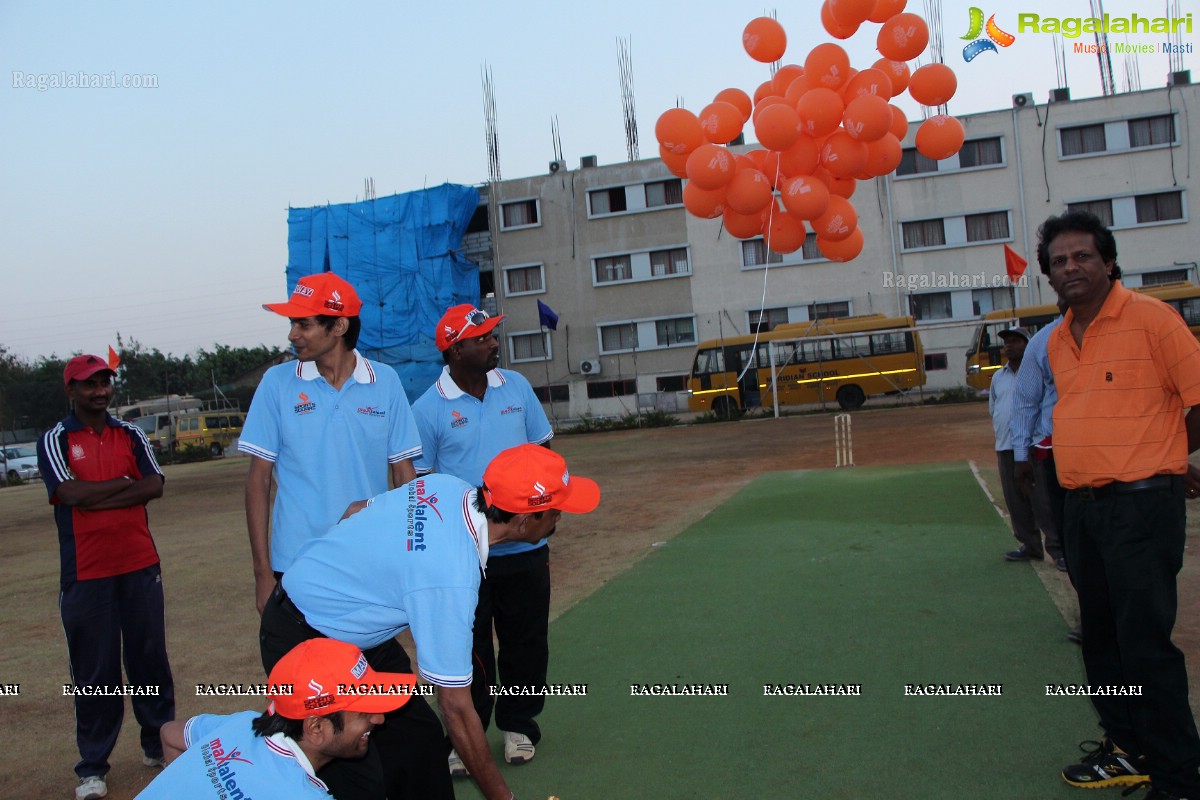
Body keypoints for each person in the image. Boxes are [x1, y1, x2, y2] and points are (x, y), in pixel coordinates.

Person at [258, 444, 600, 800]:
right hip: (302, 638)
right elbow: (455, 706)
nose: (560, 516)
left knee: (419, 742)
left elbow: (354, 511)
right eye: (555, 510)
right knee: (358, 775)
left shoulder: (447, 487)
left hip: (350, 635)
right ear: (525, 520)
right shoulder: (450, 578)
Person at [1040, 210, 1200, 799]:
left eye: (1082, 256)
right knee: (1101, 643)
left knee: (1143, 646)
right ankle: (1127, 748)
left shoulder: (1153, 320)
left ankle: (1180, 777)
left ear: (1108, 262)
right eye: (1059, 261)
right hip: (1082, 509)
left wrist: (1171, 452)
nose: (1070, 267)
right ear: (1049, 277)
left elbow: (1197, 396)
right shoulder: (1057, 338)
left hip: (1139, 508)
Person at [412, 304, 556, 774]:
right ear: (455, 350)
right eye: (483, 338)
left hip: (525, 550)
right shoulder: (428, 409)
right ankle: (463, 735)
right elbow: (423, 487)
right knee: (466, 650)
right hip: (464, 557)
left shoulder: (515, 387)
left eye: (494, 335)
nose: (494, 343)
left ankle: (519, 725)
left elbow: (544, 454)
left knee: (525, 642)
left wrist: (548, 508)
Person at [239, 272, 422, 613]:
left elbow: (404, 476)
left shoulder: (386, 382)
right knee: (304, 665)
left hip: (368, 557)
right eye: (293, 323)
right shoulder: (276, 384)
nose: (293, 334)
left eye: (303, 324)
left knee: (366, 663)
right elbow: (258, 480)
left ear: (338, 327)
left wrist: (411, 553)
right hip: (295, 563)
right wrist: (262, 573)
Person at [38, 354, 176, 800]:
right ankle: (92, 766)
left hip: (139, 565)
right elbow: (68, 492)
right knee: (95, 670)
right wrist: (123, 482)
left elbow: (154, 485)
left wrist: (101, 492)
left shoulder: (129, 433)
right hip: (87, 570)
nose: (99, 391)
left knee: (149, 659)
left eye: (105, 383)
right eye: (89, 384)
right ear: (71, 391)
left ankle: (159, 745)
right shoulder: (56, 439)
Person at [135, 638, 417, 799]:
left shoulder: (240, 725)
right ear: (316, 728)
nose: (379, 719)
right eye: (365, 712)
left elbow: (170, 734)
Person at [989, 327, 1060, 565]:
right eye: (1007, 342)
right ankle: (1030, 546)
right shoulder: (998, 377)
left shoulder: (1037, 372)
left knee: (1042, 499)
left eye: (1016, 342)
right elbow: (994, 408)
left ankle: (1058, 550)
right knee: (1015, 500)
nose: (1009, 346)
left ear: (1028, 345)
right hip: (1006, 446)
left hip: (1033, 445)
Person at [1010, 301, 1070, 574]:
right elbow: (1024, 403)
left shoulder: (1134, 328)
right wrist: (1021, 455)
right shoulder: (1044, 341)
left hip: (1115, 451)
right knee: (1064, 517)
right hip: (1055, 449)